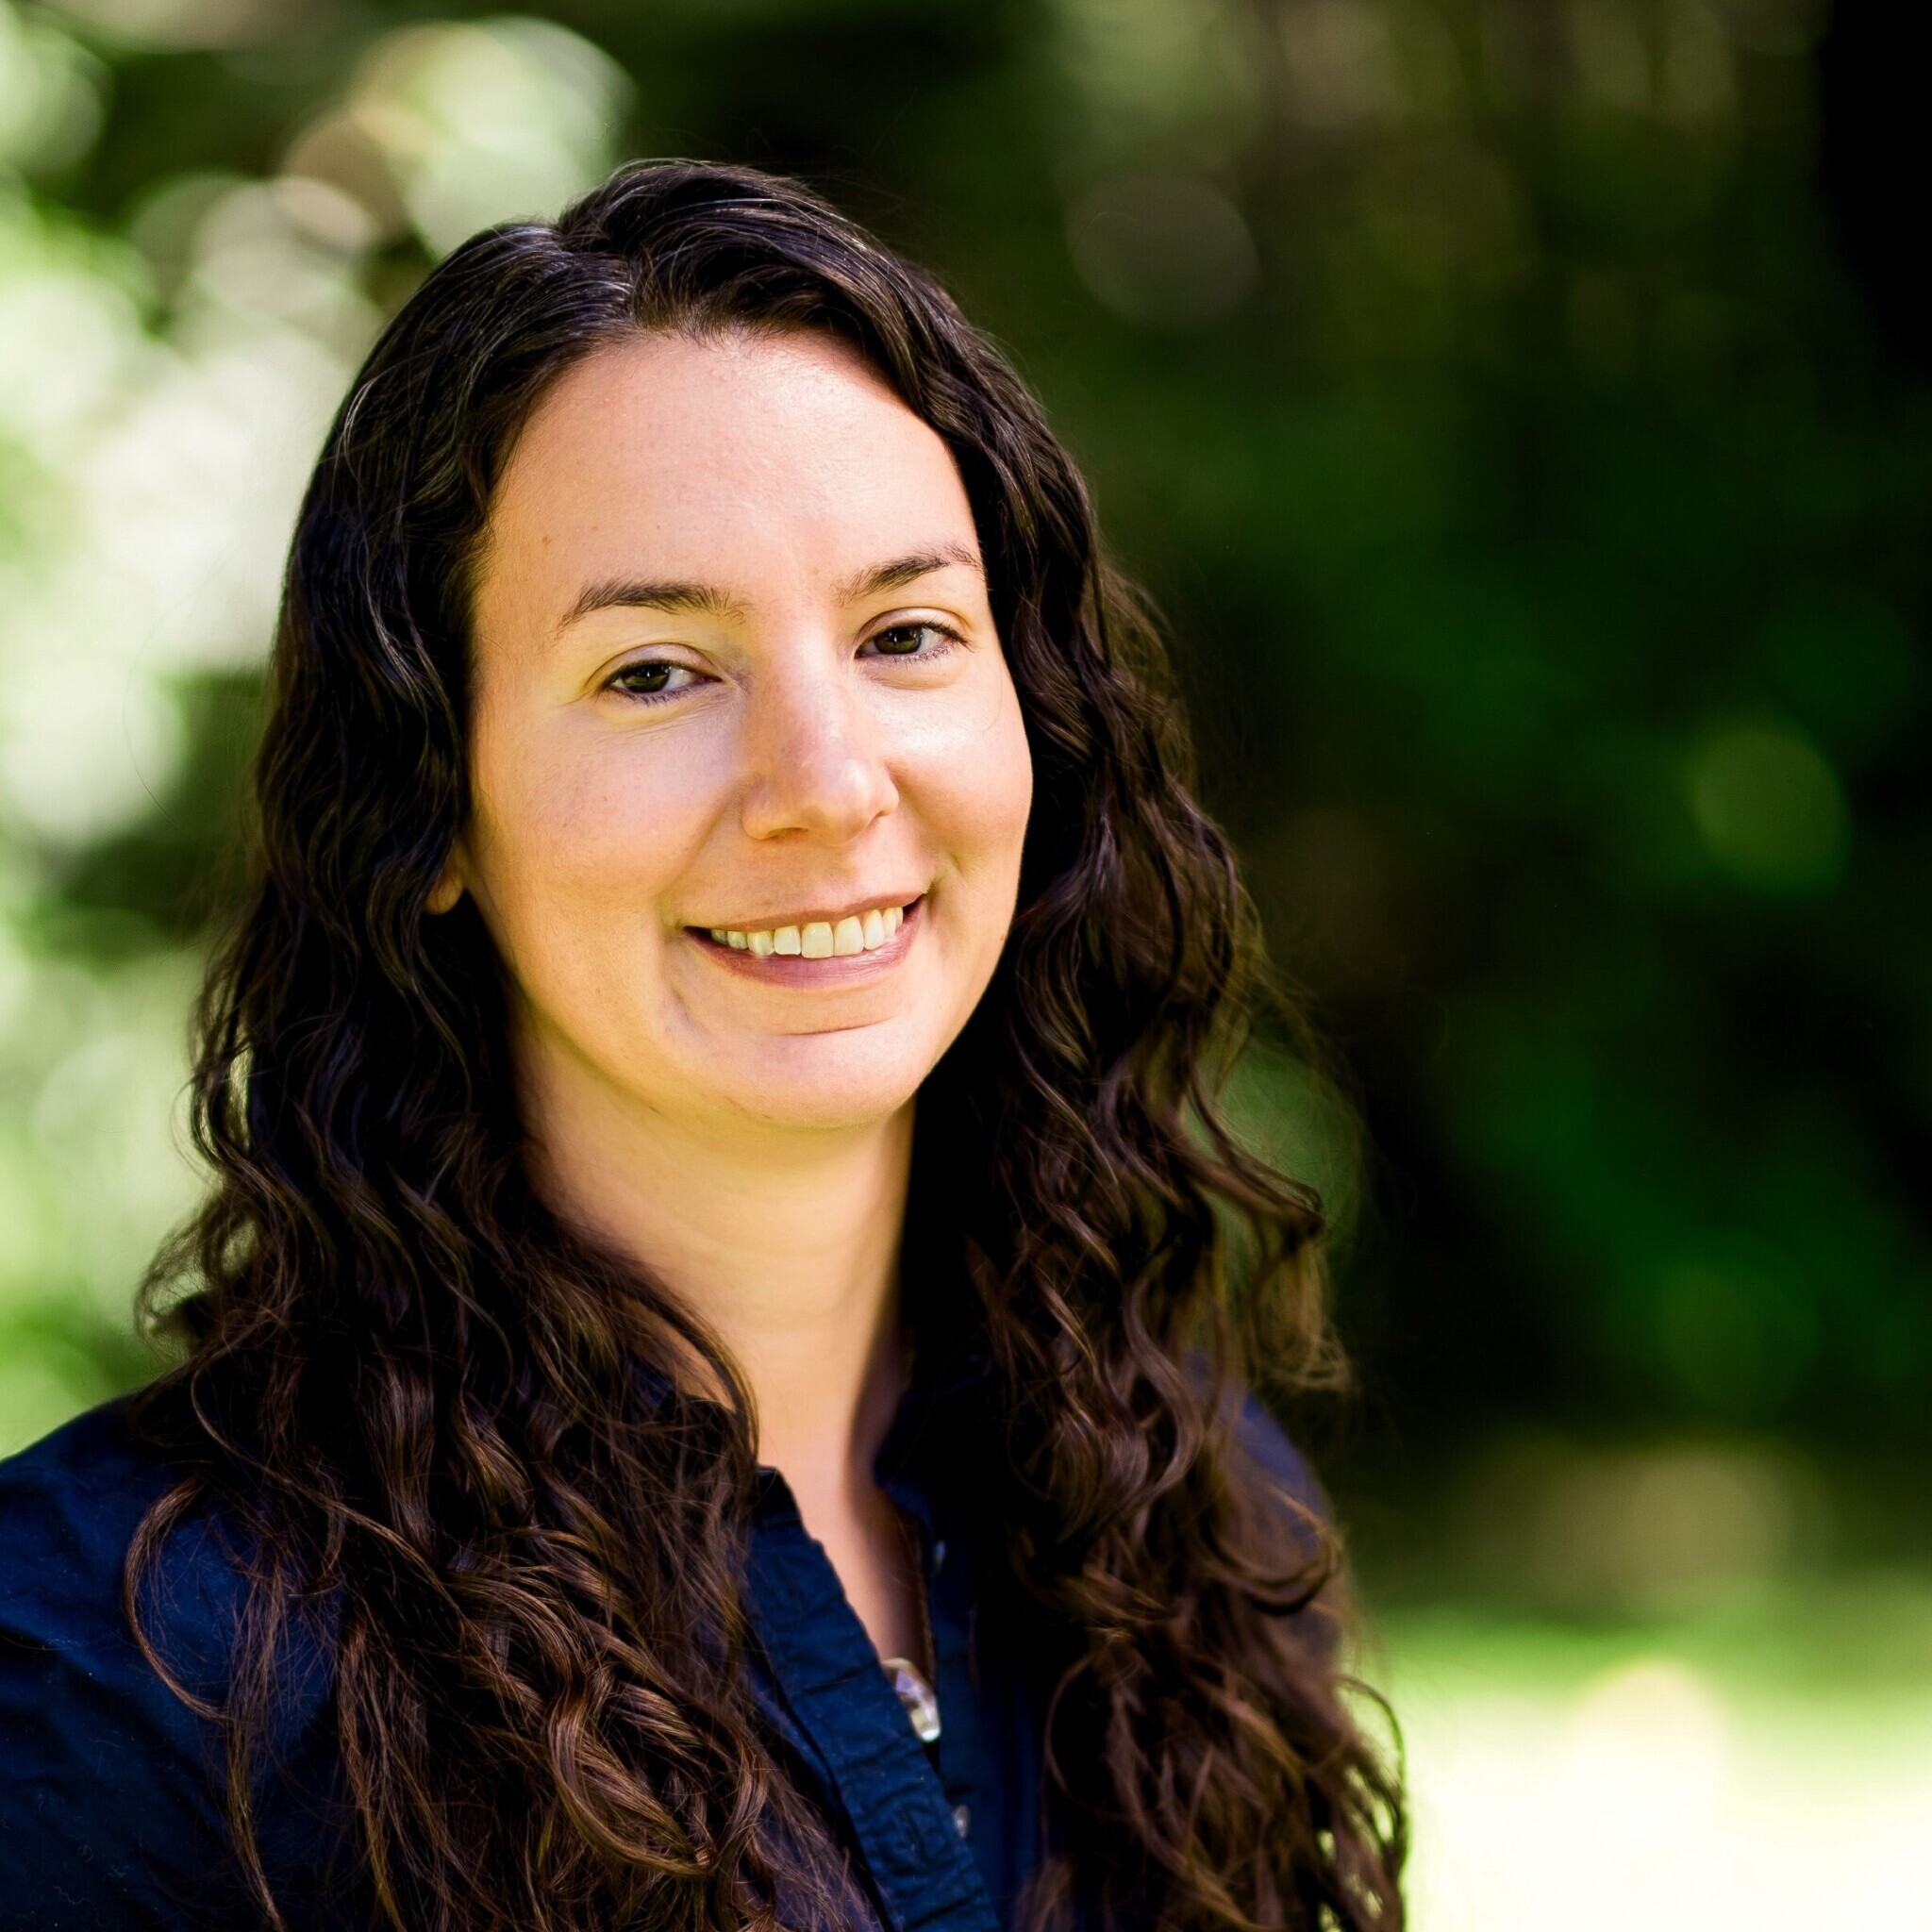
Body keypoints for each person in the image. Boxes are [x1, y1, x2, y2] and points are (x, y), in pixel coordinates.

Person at [0, 160, 1404, 1932]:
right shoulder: (123, 1676)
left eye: (907, 635)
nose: (825, 783)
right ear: (427, 806)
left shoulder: (1189, 1512)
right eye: (657, 670)